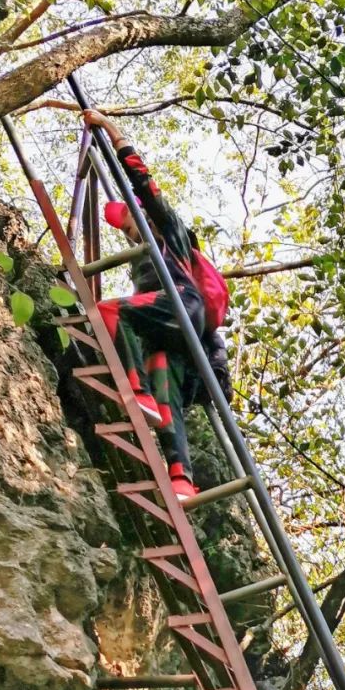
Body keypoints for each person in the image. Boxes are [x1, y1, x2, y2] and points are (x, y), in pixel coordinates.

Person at [80, 109, 229, 500]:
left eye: (133, 223)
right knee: (167, 388)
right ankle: (181, 478)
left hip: (182, 303)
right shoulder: (143, 255)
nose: (132, 233)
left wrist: (110, 131)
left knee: (112, 311)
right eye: (128, 230)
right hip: (173, 325)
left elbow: (141, 180)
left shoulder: (170, 232)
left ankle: (137, 390)